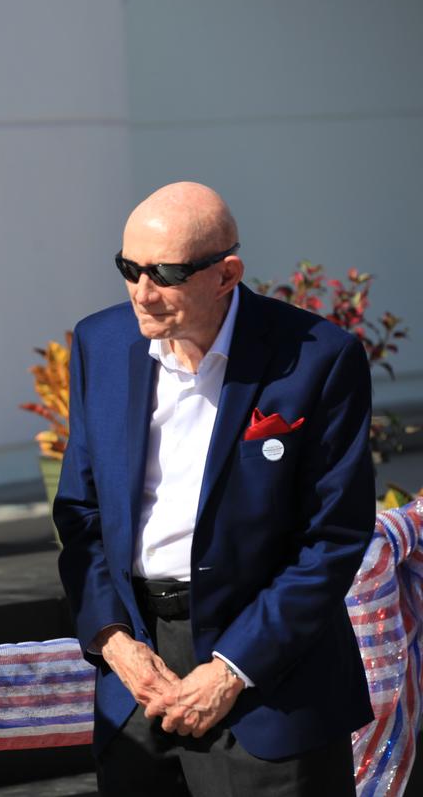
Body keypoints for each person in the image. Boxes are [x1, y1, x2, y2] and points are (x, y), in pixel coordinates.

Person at [54, 181, 375, 796]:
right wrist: (114, 641)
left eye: (166, 274)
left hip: (268, 682)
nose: (141, 294)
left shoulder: (318, 358)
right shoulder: (100, 342)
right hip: (135, 674)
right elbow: (81, 511)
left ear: (226, 274)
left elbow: (333, 538)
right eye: (128, 268)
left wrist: (231, 672)